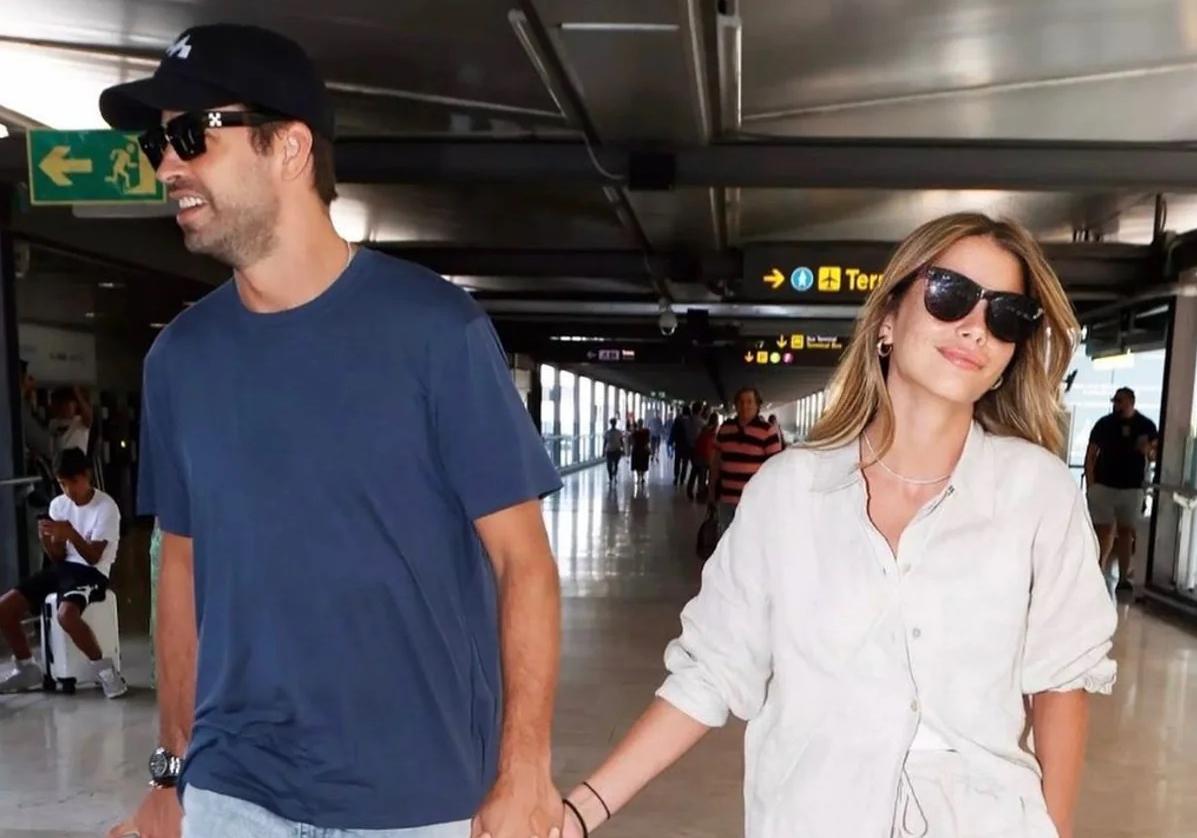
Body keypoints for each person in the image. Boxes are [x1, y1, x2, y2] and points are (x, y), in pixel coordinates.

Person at [101, 24, 564, 838]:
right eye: (155, 143)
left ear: (289, 148)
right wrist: (172, 773)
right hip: (233, 792)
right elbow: (180, 564)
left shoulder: (436, 333)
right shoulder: (180, 360)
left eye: (190, 136)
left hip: (414, 801)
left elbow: (522, 561)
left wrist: (524, 772)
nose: (167, 165)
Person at [558, 213, 1117, 838]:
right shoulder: (788, 494)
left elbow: (1059, 684)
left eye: (1005, 314)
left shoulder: (1036, 492)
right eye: (949, 295)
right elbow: (710, 670)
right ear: (886, 319)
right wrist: (580, 811)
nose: (975, 327)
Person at [0, 447, 126, 699]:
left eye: (74, 482)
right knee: (5, 607)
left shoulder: (106, 507)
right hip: (63, 568)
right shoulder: (59, 504)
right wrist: (47, 540)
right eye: (62, 484)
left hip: (92, 573)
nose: (69, 490)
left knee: (66, 615)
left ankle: (106, 671)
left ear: (86, 475)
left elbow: (94, 557)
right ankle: (26, 666)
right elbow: (57, 557)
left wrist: (70, 534)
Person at [1085, 387, 1158, 594]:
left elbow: (1155, 455)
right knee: (1104, 531)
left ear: (1131, 402)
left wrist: (1148, 450)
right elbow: (1091, 454)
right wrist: (1091, 485)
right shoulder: (1104, 424)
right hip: (1104, 485)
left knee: (1126, 532)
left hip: (1131, 487)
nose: (1116, 405)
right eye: (1114, 401)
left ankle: (1124, 578)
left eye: (1120, 401)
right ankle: (1097, 571)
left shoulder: (1146, 425)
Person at [707, 388, 782, 534]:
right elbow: (716, 462)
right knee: (726, 541)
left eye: (749, 402)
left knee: (750, 542)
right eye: (740, 402)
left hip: (754, 501)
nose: (744, 406)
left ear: (757, 405)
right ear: (735, 405)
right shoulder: (725, 428)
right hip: (727, 498)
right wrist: (711, 491)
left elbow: (775, 468)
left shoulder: (768, 430)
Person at [48, 385, 93, 459]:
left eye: (67, 404)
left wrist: (77, 392)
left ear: (75, 405)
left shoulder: (80, 422)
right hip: (58, 466)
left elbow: (89, 417)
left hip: (76, 465)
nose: (64, 408)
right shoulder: (53, 423)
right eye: (62, 404)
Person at [687, 414, 719, 502]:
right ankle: (701, 494)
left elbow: (698, 440)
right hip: (706, 456)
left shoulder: (704, 428)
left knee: (694, 473)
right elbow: (713, 445)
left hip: (698, 453)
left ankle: (690, 491)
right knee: (703, 476)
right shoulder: (714, 431)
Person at [670, 405, 693, 487]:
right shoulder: (691, 420)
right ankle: (682, 479)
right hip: (687, 444)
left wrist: (671, 441)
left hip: (679, 444)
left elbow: (673, 431)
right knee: (685, 462)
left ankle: (676, 477)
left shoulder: (677, 419)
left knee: (677, 461)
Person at [630, 420, 652, 486]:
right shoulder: (646, 431)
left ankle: (638, 477)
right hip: (643, 449)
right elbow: (648, 440)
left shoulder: (635, 432)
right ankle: (642, 477)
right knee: (643, 464)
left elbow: (632, 441)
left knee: (637, 464)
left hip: (636, 449)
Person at [604, 418, 625, 483]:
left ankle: (614, 476)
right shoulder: (608, 432)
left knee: (614, 464)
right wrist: (604, 450)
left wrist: (623, 449)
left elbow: (621, 441)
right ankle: (611, 476)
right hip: (611, 450)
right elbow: (605, 442)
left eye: (614, 423)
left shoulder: (617, 432)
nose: (613, 424)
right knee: (609, 464)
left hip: (615, 450)